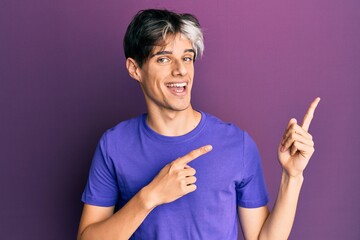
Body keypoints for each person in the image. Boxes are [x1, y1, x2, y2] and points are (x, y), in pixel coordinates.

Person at [77, 9, 320, 240]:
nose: (180, 70)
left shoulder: (237, 143)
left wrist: (293, 176)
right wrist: (149, 197)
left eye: (187, 58)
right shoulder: (114, 145)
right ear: (134, 69)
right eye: (163, 59)